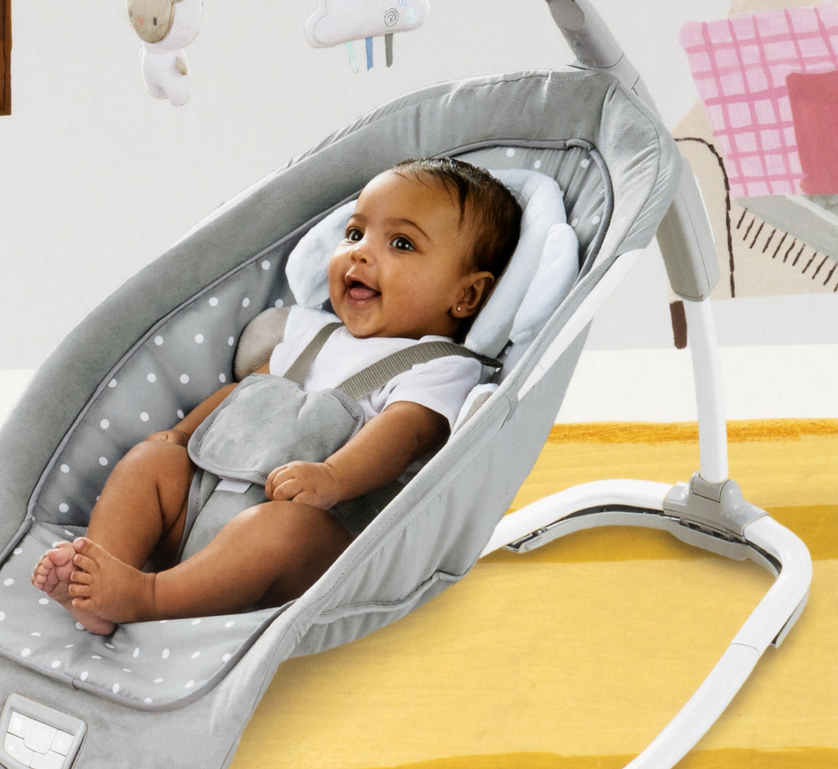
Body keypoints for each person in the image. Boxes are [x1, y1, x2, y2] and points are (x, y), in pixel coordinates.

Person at [33, 157, 519, 635]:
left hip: (318, 539)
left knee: (279, 531)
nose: (360, 253)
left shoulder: (440, 365)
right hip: (207, 504)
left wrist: (333, 477)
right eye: (354, 233)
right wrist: (179, 436)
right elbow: (245, 391)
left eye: (401, 243)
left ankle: (149, 597)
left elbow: (406, 433)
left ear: (467, 296)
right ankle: (99, 574)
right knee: (149, 462)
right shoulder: (312, 335)